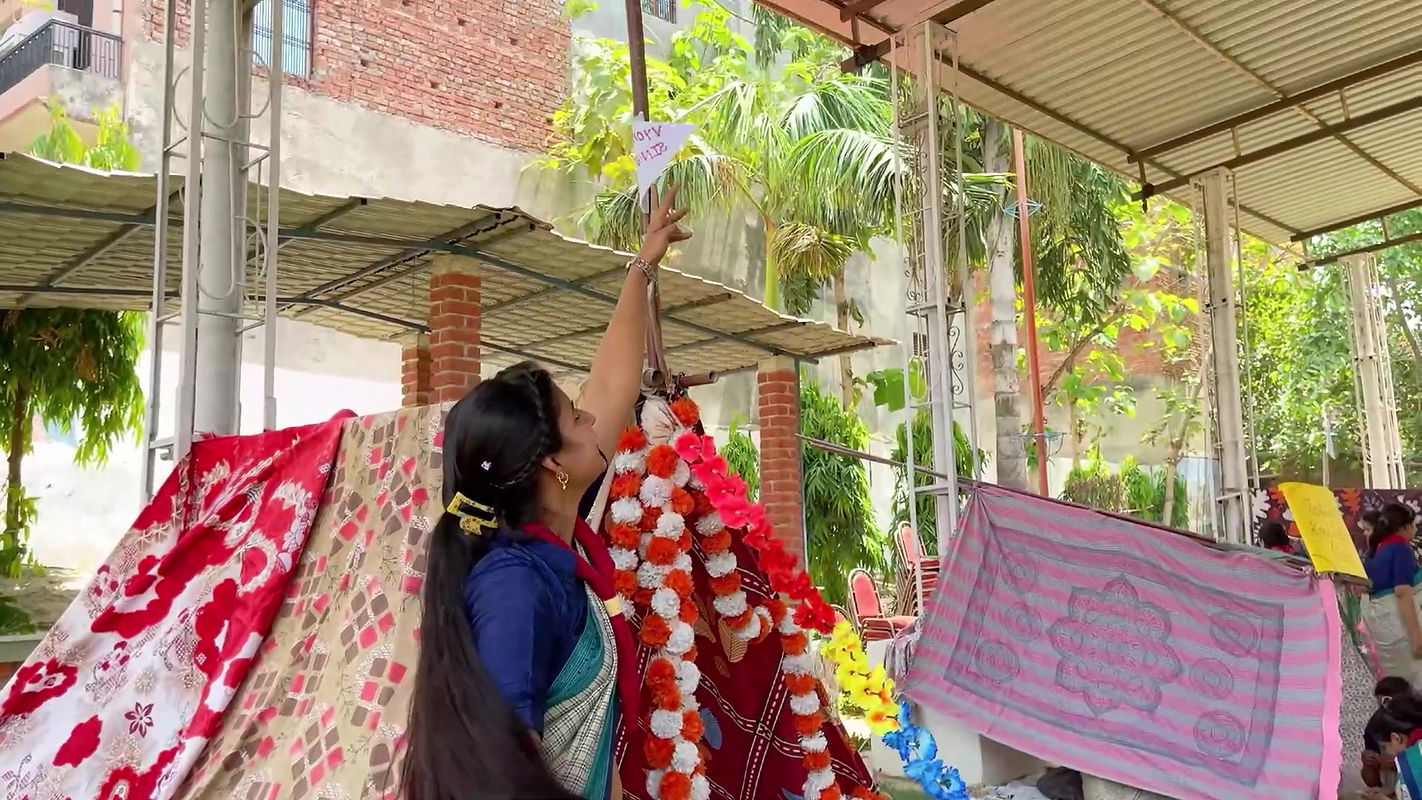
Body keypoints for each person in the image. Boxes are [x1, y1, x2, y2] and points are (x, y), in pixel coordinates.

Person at [400, 187, 691, 800]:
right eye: (576, 417)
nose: (595, 419)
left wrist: (643, 265)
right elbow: (500, 774)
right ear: (554, 462)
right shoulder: (514, 585)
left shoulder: (558, 545)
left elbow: (611, 384)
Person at [1365, 503, 1422, 684]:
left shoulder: (1377, 551)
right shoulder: (1400, 549)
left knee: (1402, 683)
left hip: (1382, 625)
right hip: (1400, 624)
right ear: (1404, 527)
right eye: (1413, 525)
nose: (1415, 530)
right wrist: (1416, 637)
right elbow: (1403, 592)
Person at [1365, 693, 1422, 799]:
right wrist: (1393, 791)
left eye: (1384, 747)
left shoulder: (1414, 762)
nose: (1384, 753)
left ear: (1396, 739)